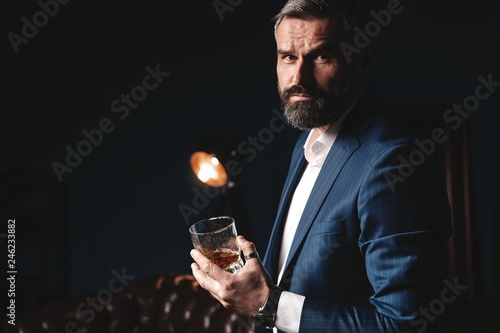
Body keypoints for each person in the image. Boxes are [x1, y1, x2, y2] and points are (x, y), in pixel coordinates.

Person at [190, 0, 452, 332]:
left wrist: (267, 305)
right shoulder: (309, 139)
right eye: (288, 57)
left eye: (321, 56)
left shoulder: (393, 163)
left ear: (364, 59)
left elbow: (406, 323)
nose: (299, 78)